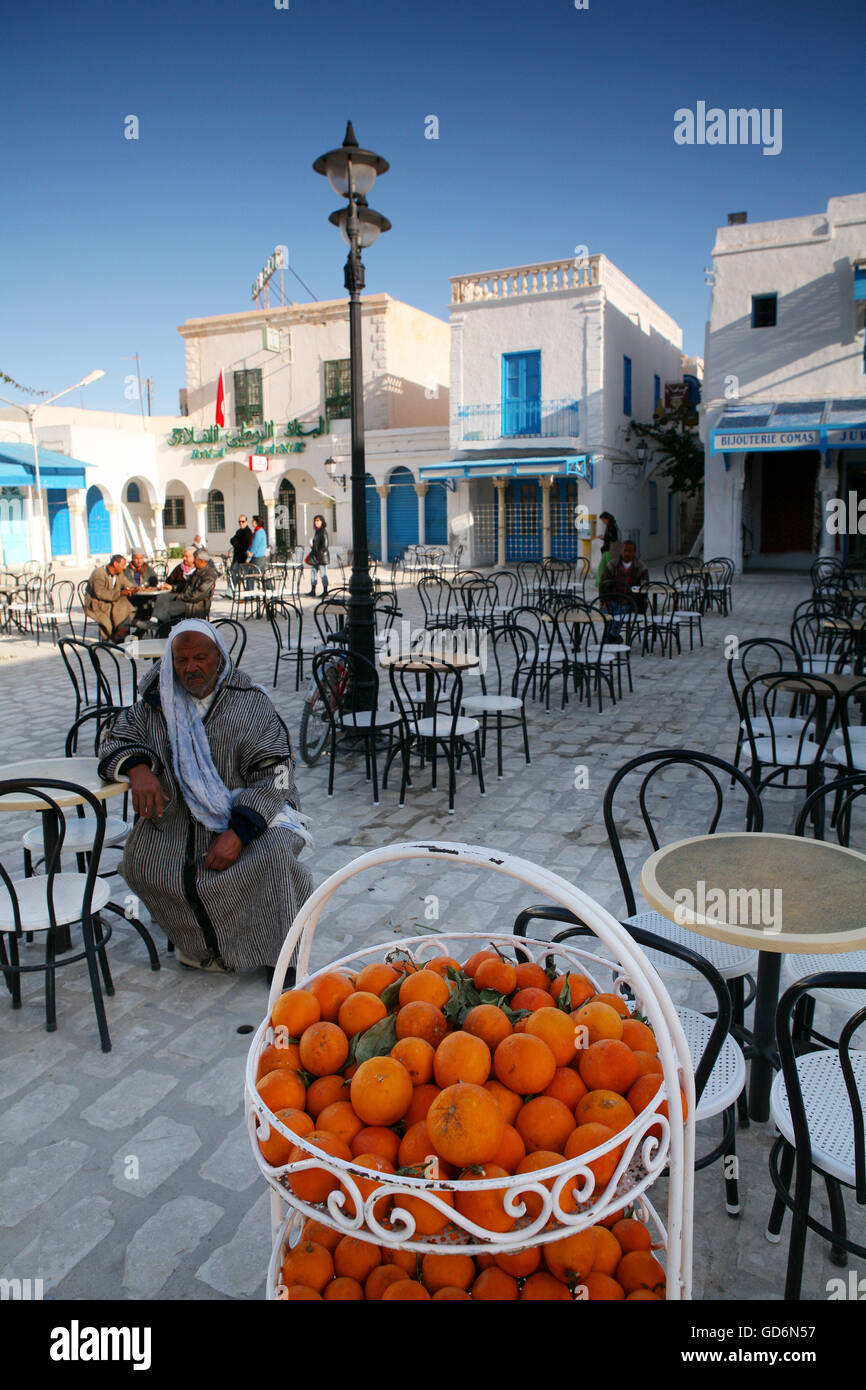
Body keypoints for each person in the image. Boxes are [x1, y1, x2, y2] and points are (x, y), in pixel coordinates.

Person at [96, 619, 313, 974]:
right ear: (170, 663)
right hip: (180, 815)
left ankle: (280, 955)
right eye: (181, 660)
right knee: (147, 862)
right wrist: (138, 768)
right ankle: (204, 946)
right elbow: (115, 738)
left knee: (273, 857)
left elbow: (277, 774)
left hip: (254, 811)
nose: (191, 668)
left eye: (201, 657)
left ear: (219, 657)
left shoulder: (250, 704)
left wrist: (238, 833)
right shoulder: (155, 705)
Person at [152, 548, 218, 634]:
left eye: (195, 560)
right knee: (164, 596)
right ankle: (155, 622)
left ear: (201, 561)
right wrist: (172, 587)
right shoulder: (198, 571)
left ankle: (161, 633)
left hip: (196, 606)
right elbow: (186, 585)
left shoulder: (210, 574)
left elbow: (197, 596)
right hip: (187, 600)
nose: (193, 562)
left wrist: (179, 596)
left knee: (166, 610)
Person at [85, 554, 138, 643]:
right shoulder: (99, 573)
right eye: (123, 565)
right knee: (119, 607)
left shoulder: (119, 574)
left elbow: (127, 584)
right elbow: (100, 593)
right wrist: (120, 593)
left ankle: (121, 634)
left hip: (112, 601)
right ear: (115, 564)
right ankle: (116, 636)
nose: (125, 568)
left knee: (125, 604)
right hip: (97, 604)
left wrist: (135, 588)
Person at [599, 538, 650, 628]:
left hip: (632, 602)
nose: (627, 553)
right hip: (613, 599)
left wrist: (628, 600)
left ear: (634, 552)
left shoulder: (641, 567)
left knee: (620, 612)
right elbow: (603, 584)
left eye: (629, 551)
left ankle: (611, 636)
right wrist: (605, 600)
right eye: (625, 550)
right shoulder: (612, 565)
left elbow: (643, 589)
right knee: (607, 611)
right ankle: (612, 635)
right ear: (621, 551)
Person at [596, 512, 621, 590]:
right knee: (601, 567)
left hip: (610, 549)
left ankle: (611, 582)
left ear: (607, 519)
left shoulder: (612, 526)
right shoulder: (609, 526)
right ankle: (600, 583)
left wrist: (604, 538)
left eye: (603, 520)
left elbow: (614, 538)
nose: (603, 522)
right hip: (606, 549)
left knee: (610, 567)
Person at [307, 514, 329, 596]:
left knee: (323, 573)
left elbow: (325, 546)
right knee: (313, 572)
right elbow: (317, 544)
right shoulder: (317, 531)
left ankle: (325, 590)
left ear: (322, 521)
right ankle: (313, 590)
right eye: (315, 521)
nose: (316, 522)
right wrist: (312, 545)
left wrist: (319, 553)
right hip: (315, 556)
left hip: (321, 557)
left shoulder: (323, 532)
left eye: (318, 521)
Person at [229, 514, 253, 584]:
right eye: (239, 521)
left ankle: (249, 592)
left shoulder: (248, 532)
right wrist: (237, 543)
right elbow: (232, 540)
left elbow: (247, 545)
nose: (241, 523)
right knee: (233, 573)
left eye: (242, 521)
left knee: (247, 576)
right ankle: (231, 592)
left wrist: (237, 543)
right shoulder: (239, 531)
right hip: (237, 558)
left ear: (246, 522)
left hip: (244, 558)